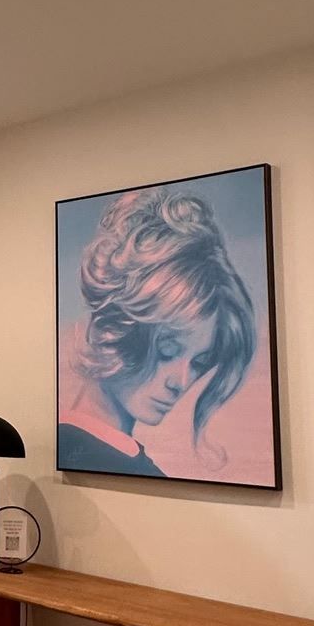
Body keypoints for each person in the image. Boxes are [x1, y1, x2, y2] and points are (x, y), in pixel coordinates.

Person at [58, 185, 256, 476]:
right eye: (167, 351)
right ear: (113, 328)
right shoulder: (96, 455)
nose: (182, 381)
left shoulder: (79, 446)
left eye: (200, 362)